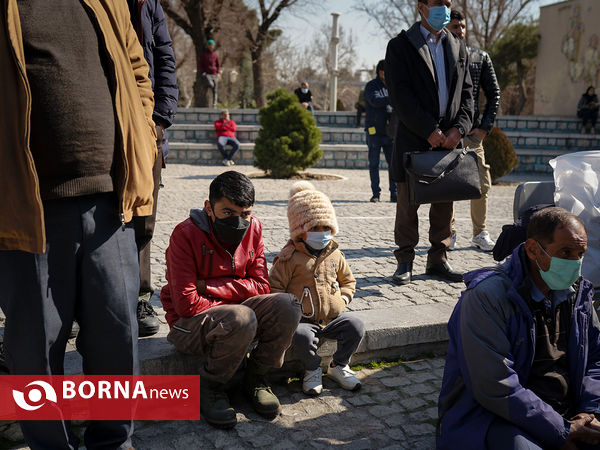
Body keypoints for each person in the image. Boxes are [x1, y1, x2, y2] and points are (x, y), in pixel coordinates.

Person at [0, 1, 157, 448]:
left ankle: (115, 443)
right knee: (35, 353)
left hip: (112, 206)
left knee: (118, 342)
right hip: (26, 213)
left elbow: (137, 68)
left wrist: (143, 132)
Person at [437, 207, 600, 450]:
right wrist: (561, 429)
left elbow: (596, 359)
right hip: (500, 416)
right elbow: (496, 384)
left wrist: (590, 411)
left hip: (567, 411)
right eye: (565, 252)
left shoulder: (578, 295)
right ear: (533, 249)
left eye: (580, 254)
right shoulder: (486, 298)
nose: (575, 263)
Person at [160, 171, 302, 429]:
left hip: (234, 318)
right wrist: (236, 306)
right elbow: (186, 304)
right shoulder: (185, 234)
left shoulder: (254, 227)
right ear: (208, 208)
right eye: (228, 213)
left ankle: (256, 377)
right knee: (241, 316)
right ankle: (210, 386)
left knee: (288, 305)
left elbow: (261, 285)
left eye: (245, 213)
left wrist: (208, 286)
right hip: (187, 326)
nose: (238, 221)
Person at [385, 0, 474, 286]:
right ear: (422, 6)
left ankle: (439, 260)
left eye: (448, 4)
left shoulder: (458, 45)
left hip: (449, 143)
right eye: (438, 4)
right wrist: (428, 130)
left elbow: (468, 94)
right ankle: (405, 261)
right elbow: (400, 96)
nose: (444, 9)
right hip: (415, 138)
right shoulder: (400, 45)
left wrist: (459, 129)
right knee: (408, 205)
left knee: (444, 205)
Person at [270, 182, 365, 396]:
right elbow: (275, 288)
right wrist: (290, 312)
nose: (321, 233)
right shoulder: (289, 259)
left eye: (326, 227)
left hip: (332, 319)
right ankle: (312, 369)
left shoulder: (335, 254)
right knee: (302, 336)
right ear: (300, 230)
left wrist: (343, 299)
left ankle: (339, 365)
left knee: (356, 326)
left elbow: (349, 281)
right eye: (314, 228)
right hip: (303, 321)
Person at [128, 0, 179, 337]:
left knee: (143, 216)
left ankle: (139, 298)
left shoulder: (150, 4)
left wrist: (161, 120)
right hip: (100, 119)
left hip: (148, 124)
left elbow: (164, 58)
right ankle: (77, 303)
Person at [447, 10, 500, 252]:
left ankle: (480, 233)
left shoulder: (480, 57)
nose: (459, 30)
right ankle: (448, 233)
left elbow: (494, 95)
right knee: (445, 185)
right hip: (445, 134)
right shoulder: (437, 57)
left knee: (481, 184)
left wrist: (484, 128)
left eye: (462, 26)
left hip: (472, 134)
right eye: (454, 26)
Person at [364, 60, 397, 203]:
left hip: (390, 132)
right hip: (374, 132)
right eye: (384, 70)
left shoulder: (392, 85)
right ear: (379, 71)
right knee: (374, 164)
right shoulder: (372, 86)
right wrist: (392, 99)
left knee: (393, 165)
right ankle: (375, 193)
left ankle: (394, 193)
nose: (386, 73)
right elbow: (374, 100)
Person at [198, 39, 221, 108]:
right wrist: (203, 72)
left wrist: (218, 72)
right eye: (210, 45)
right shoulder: (203, 54)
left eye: (212, 46)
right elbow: (200, 64)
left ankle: (214, 104)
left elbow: (218, 64)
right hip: (207, 74)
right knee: (211, 84)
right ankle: (206, 87)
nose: (211, 47)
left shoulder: (215, 55)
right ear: (207, 46)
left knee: (215, 90)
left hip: (214, 74)